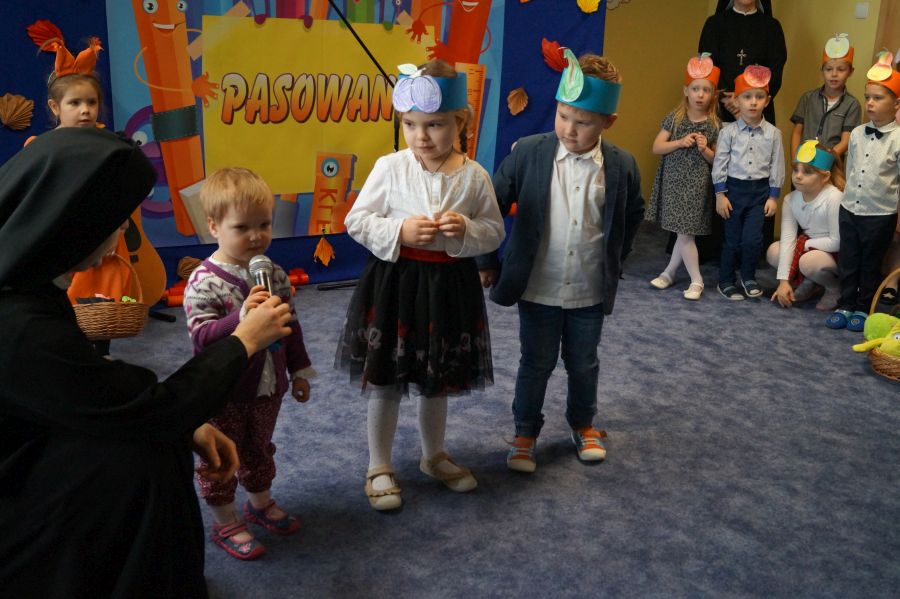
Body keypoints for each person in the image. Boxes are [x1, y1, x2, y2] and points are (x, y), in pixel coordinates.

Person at [0, 127, 293, 598]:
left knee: (160, 435)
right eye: (115, 221)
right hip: (20, 481)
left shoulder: (25, 281)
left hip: (40, 432)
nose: (121, 233)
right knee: (148, 452)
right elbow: (141, 407)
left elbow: (96, 387)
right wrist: (242, 341)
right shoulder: (19, 324)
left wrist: (186, 422)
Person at [336, 60, 505, 511]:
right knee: (386, 379)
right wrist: (400, 231)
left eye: (434, 124)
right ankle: (378, 464)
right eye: (410, 124)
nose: (421, 136)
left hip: (449, 287)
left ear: (460, 122)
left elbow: (494, 231)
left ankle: (434, 456)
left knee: (436, 379)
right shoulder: (389, 167)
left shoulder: (474, 176)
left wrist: (465, 229)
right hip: (395, 284)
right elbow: (357, 220)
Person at [477, 50, 644, 473]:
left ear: (608, 122)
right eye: (563, 115)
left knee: (584, 362)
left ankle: (583, 424)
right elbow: (491, 205)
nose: (569, 128)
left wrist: (616, 259)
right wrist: (486, 260)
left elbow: (632, 214)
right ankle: (525, 432)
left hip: (589, 288)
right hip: (539, 285)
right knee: (536, 362)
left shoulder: (622, 165)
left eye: (582, 122)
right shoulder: (528, 153)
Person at [183, 167, 315, 559]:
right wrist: (240, 319)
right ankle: (224, 521)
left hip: (267, 387)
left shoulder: (274, 273)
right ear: (213, 226)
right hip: (224, 391)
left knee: (259, 447)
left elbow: (289, 325)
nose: (256, 236)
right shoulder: (203, 280)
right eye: (242, 227)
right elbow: (202, 337)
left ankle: (259, 503)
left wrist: (299, 370)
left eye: (264, 225)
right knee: (221, 455)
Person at [697, 0, 786, 263]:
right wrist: (728, 97)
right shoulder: (715, 24)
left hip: (757, 108)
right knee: (718, 164)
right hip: (719, 106)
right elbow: (707, 64)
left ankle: (749, 253)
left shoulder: (771, 26)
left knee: (755, 166)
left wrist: (748, 102)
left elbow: (776, 68)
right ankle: (711, 248)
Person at [826, 56, 900, 331]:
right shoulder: (857, 133)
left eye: (878, 98)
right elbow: (851, 167)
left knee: (870, 264)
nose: (869, 103)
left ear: (896, 104)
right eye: (868, 97)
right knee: (849, 260)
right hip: (850, 209)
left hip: (879, 213)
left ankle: (863, 307)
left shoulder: (898, 139)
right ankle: (845, 304)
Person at [647, 54, 721, 301]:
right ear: (686, 91)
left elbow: (717, 161)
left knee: (685, 233)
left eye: (706, 90)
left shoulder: (714, 125)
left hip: (697, 185)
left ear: (713, 95)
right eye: (696, 89)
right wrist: (679, 142)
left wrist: (704, 149)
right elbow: (657, 147)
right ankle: (669, 273)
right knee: (682, 232)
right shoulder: (676, 118)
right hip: (673, 182)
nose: (700, 95)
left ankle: (696, 280)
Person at [712, 65, 784, 300]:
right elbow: (720, 163)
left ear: (767, 100)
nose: (753, 102)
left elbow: (777, 165)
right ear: (736, 100)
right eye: (747, 97)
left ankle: (749, 276)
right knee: (732, 240)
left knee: (753, 240)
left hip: (759, 193)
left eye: (759, 97)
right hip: (733, 191)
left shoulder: (774, 134)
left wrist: (773, 196)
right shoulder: (728, 132)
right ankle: (725, 280)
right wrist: (720, 194)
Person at [767, 141, 843, 311]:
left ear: (825, 176)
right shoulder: (790, 199)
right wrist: (783, 281)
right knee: (774, 251)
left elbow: (837, 242)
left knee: (808, 262)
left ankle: (834, 288)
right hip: (810, 247)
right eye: (796, 170)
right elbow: (788, 240)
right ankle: (812, 282)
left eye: (807, 172)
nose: (798, 176)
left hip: (835, 252)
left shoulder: (834, 197)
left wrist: (805, 245)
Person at [789, 34, 861, 159]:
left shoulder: (852, 104)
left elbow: (846, 140)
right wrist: (795, 159)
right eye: (828, 69)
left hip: (832, 163)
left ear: (850, 72)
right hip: (804, 162)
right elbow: (797, 133)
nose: (834, 74)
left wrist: (825, 158)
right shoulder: (808, 98)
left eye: (841, 69)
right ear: (821, 70)